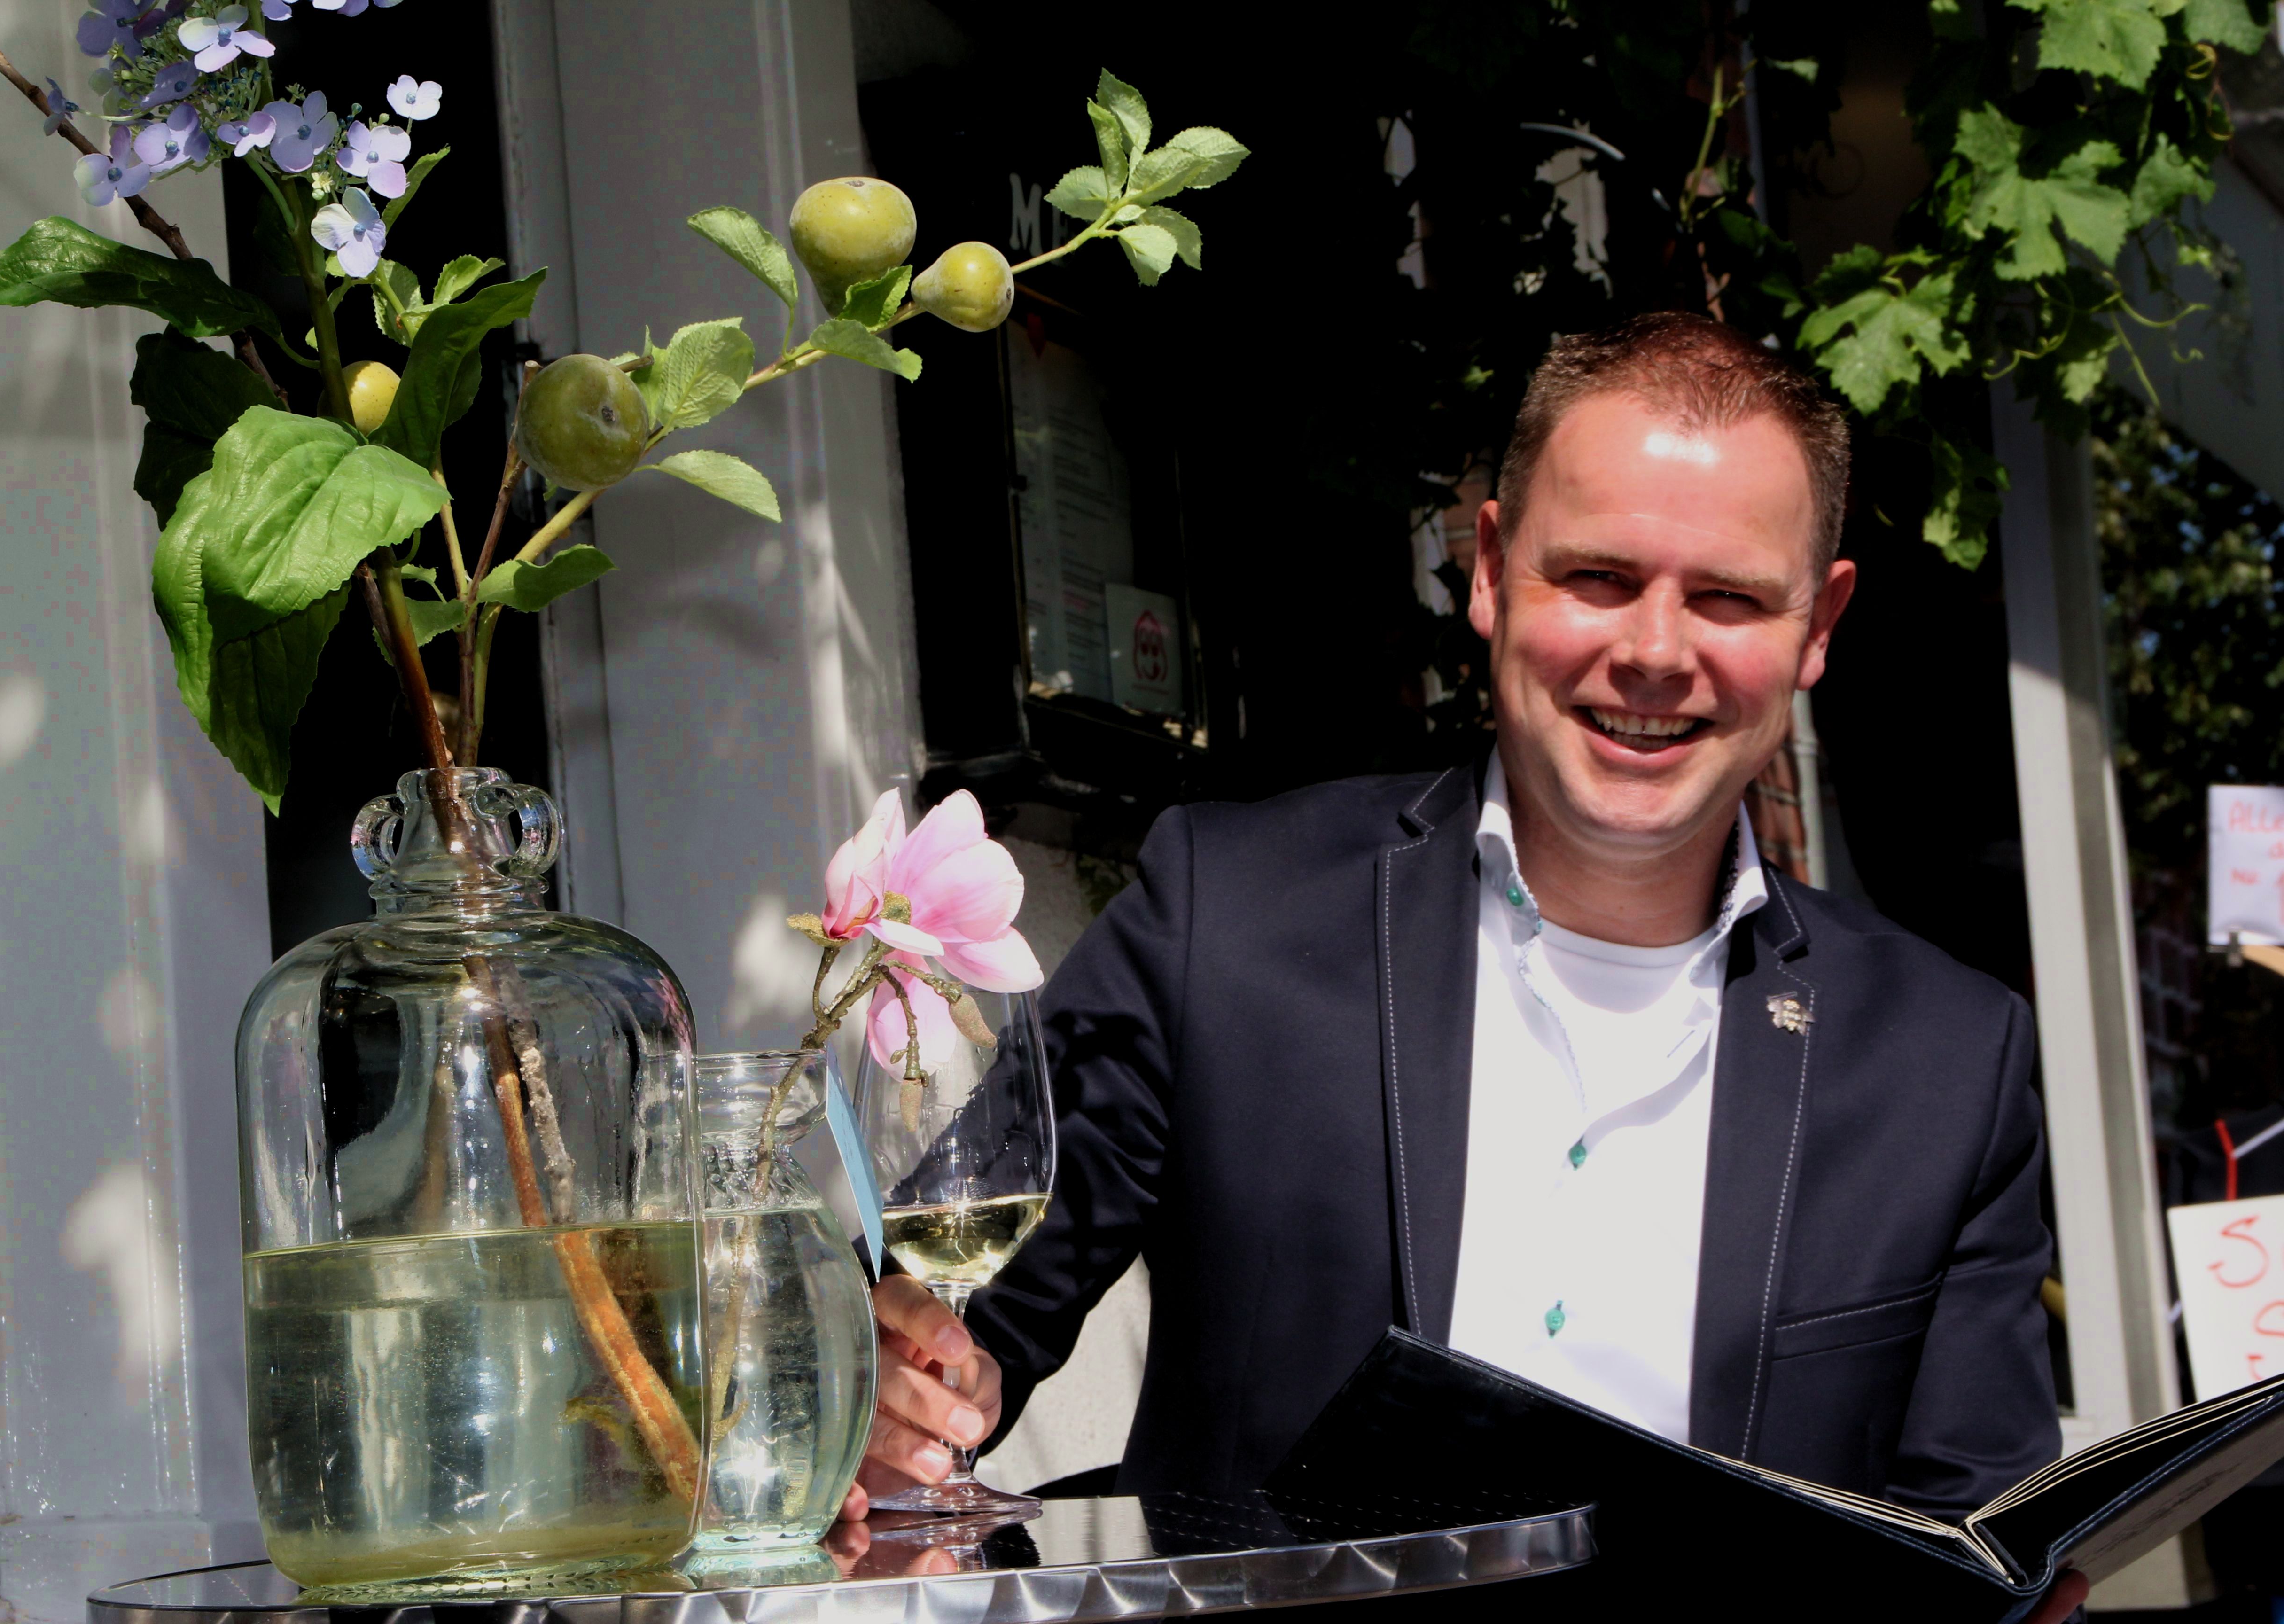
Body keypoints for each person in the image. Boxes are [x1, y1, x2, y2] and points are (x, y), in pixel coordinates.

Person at [840, 311, 2071, 1609]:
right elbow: (946, 1321)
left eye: (1726, 596)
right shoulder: (1228, 919)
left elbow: (1973, 1539)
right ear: (1489, 570)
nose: (1654, 651)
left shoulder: (1951, 1060)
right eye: (1598, 576)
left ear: (1818, 627)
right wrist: (899, 1395)